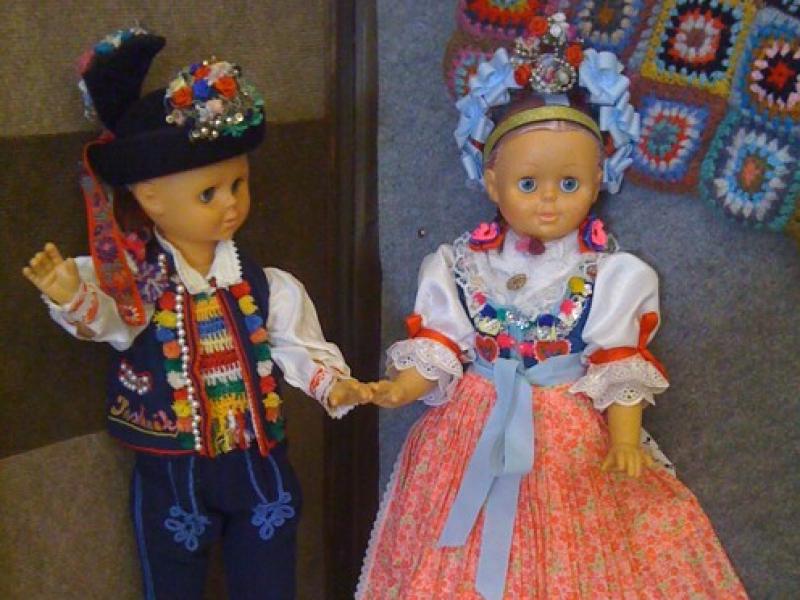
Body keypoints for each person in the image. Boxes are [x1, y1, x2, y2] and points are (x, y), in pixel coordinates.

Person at [346, 12, 748, 599]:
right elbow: (441, 343)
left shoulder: (610, 274)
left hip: (566, 437)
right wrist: (400, 387)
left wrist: (625, 438)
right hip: (468, 429)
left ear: (598, 181)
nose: (549, 202)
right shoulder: (459, 266)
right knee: (452, 552)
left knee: (570, 550)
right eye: (528, 184)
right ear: (492, 184)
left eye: (570, 184)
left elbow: (618, 362)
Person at [23, 28, 369, 600]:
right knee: (171, 580)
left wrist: (331, 383)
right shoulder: (136, 278)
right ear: (150, 198)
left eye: (238, 184)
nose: (231, 204)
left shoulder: (264, 284)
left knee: (270, 578)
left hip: (259, 461)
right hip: (171, 466)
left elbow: (293, 342)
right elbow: (114, 322)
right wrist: (71, 293)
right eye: (209, 193)